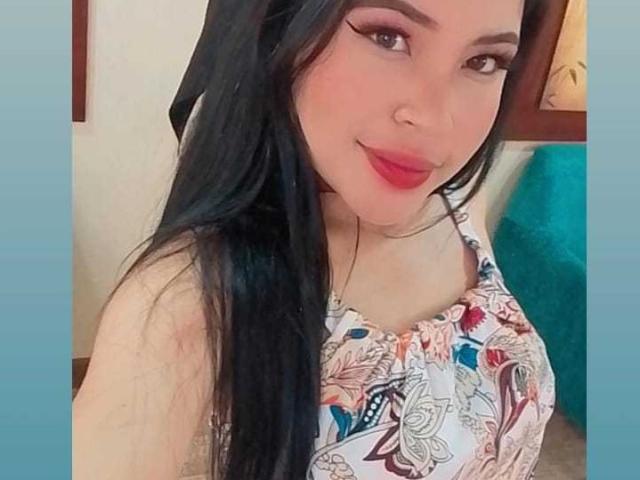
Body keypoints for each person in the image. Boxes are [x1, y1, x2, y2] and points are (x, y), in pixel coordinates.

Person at [72, 0, 555, 479]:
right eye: (388, 37)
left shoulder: (459, 199)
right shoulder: (191, 300)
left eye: (483, 61)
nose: (434, 118)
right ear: (282, 26)